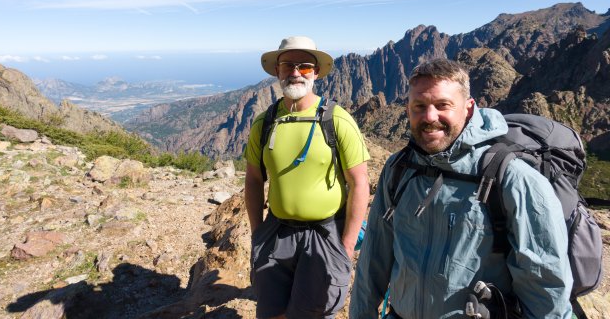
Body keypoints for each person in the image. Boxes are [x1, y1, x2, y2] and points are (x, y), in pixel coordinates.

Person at [350, 58, 573, 318]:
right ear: (408, 110)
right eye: (419, 106)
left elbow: (545, 288)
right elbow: (373, 259)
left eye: (443, 105)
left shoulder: (512, 178)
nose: (430, 116)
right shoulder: (399, 169)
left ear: (468, 109)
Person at [244, 36, 370, 319]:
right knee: (270, 312)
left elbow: (360, 183)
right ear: (277, 71)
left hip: (324, 235)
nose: (296, 72)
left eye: (304, 66)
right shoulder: (264, 123)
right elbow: (253, 179)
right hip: (276, 232)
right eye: (288, 65)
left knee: (311, 314)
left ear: (315, 73)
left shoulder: (337, 120)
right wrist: (257, 232)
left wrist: (347, 246)